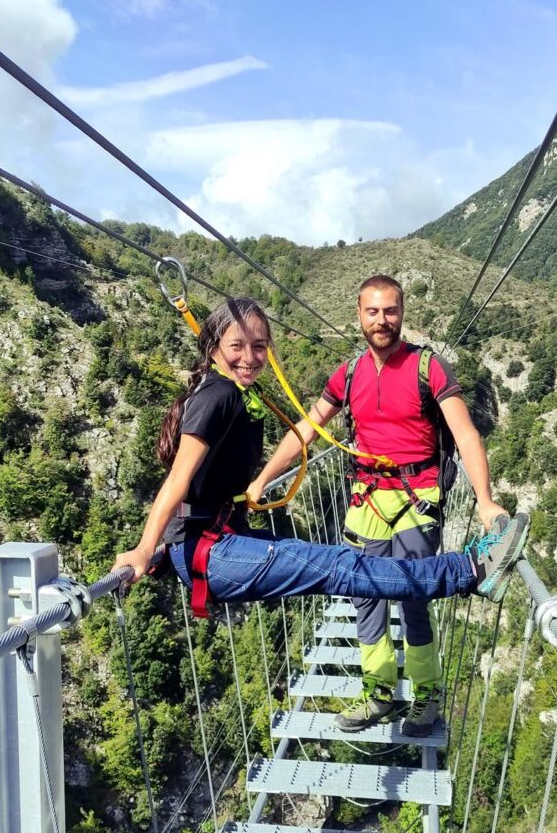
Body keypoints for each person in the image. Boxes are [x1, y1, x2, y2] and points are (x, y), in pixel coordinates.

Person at [113, 296, 528, 625]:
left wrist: (168, 545)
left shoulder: (231, 392)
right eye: (237, 346)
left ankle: (465, 574)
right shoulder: (218, 395)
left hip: (207, 546)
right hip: (210, 552)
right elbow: (178, 480)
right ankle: (470, 571)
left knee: (336, 565)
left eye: (259, 347)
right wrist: (145, 548)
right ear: (215, 345)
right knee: (340, 566)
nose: (250, 357)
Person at [248, 275, 511, 736]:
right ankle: (380, 693)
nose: (382, 320)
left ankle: (426, 691)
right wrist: (263, 480)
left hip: (417, 495)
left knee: (413, 594)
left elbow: (466, 433)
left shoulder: (429, 368)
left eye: (390, 311)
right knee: (365, 596)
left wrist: (485, 502)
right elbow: (306, 430)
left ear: (402, 312)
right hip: (366, 497)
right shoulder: (348, 375)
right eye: (373, 312)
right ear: (359, 314)